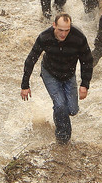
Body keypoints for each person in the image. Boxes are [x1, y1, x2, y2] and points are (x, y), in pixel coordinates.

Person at [20, 13, 93, 144]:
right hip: (50, 72)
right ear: (54, 25)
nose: (63, 34)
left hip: (69, 74)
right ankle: (63, 139)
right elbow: (31, 59)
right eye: (60, 30)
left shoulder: (78, 37)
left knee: (72, 110)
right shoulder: (44, 37)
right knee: (60, 105)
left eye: (66, 30)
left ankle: (59, 116)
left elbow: (87, 61)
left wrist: (85, 84)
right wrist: (25, 85)